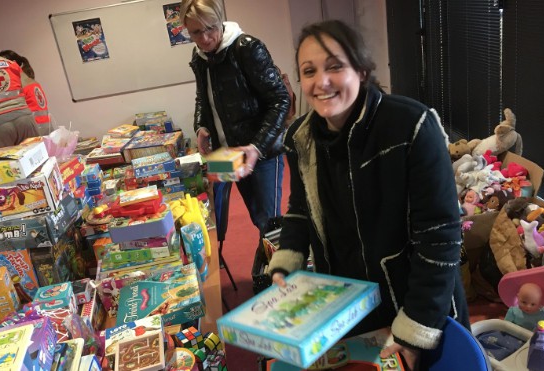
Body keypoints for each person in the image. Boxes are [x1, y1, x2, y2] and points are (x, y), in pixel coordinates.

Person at [267, 20, 469, 370]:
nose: (322, 81)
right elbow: (300, 208)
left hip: (418, 306)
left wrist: (413, 330)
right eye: (309, 71)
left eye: (334, 66)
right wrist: (287, 260)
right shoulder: (300, 138)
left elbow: (439, 238)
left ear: (361, 69)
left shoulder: (411, 125)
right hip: (348, 306)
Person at [179, 0, 290, 236]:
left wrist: (257, 147)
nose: (205, 38)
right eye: (196, 32)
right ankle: (269, 266)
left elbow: (281, 99)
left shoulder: (247, 47)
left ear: (220, 20)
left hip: (263, 151)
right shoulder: (199, 56)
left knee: (270, 222)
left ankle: (280, 271)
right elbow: (203, 97)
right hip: (228, 152)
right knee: (255, 216)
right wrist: (201, 126)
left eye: (210, 28)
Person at [0, 50, 52, 134]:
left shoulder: (18, 85)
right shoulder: (32, 82)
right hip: (46, 129)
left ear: (14, 63)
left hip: (33, 132)